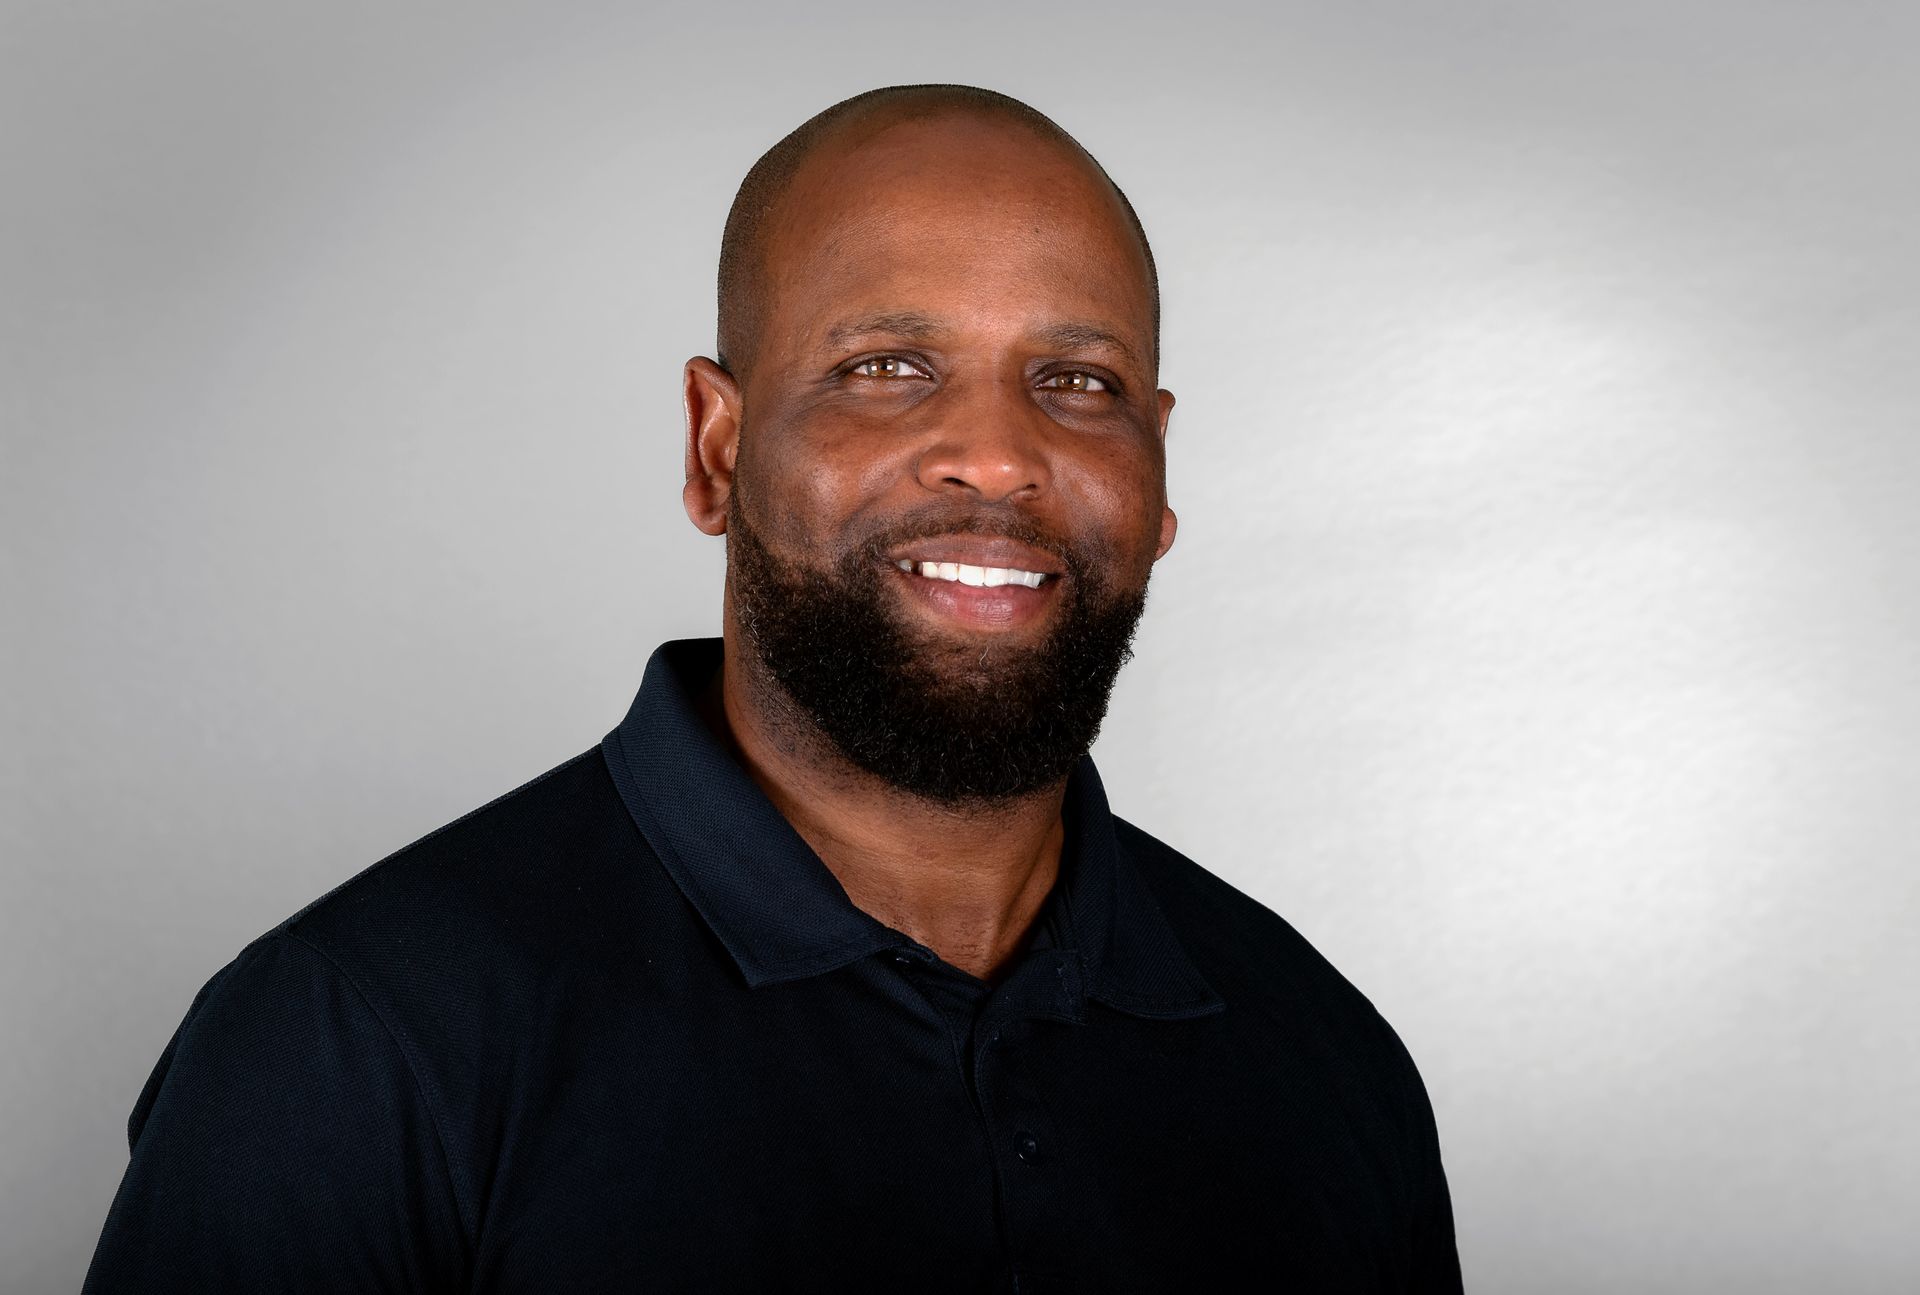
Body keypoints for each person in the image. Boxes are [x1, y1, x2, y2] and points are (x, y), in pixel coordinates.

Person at [84, 84, 1461, 1292]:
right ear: (717, 448)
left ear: (1157, 476)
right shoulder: (353, 1044)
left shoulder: (1323, 1059)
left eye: (1076, 381)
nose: (996, 455)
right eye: (886, 369)